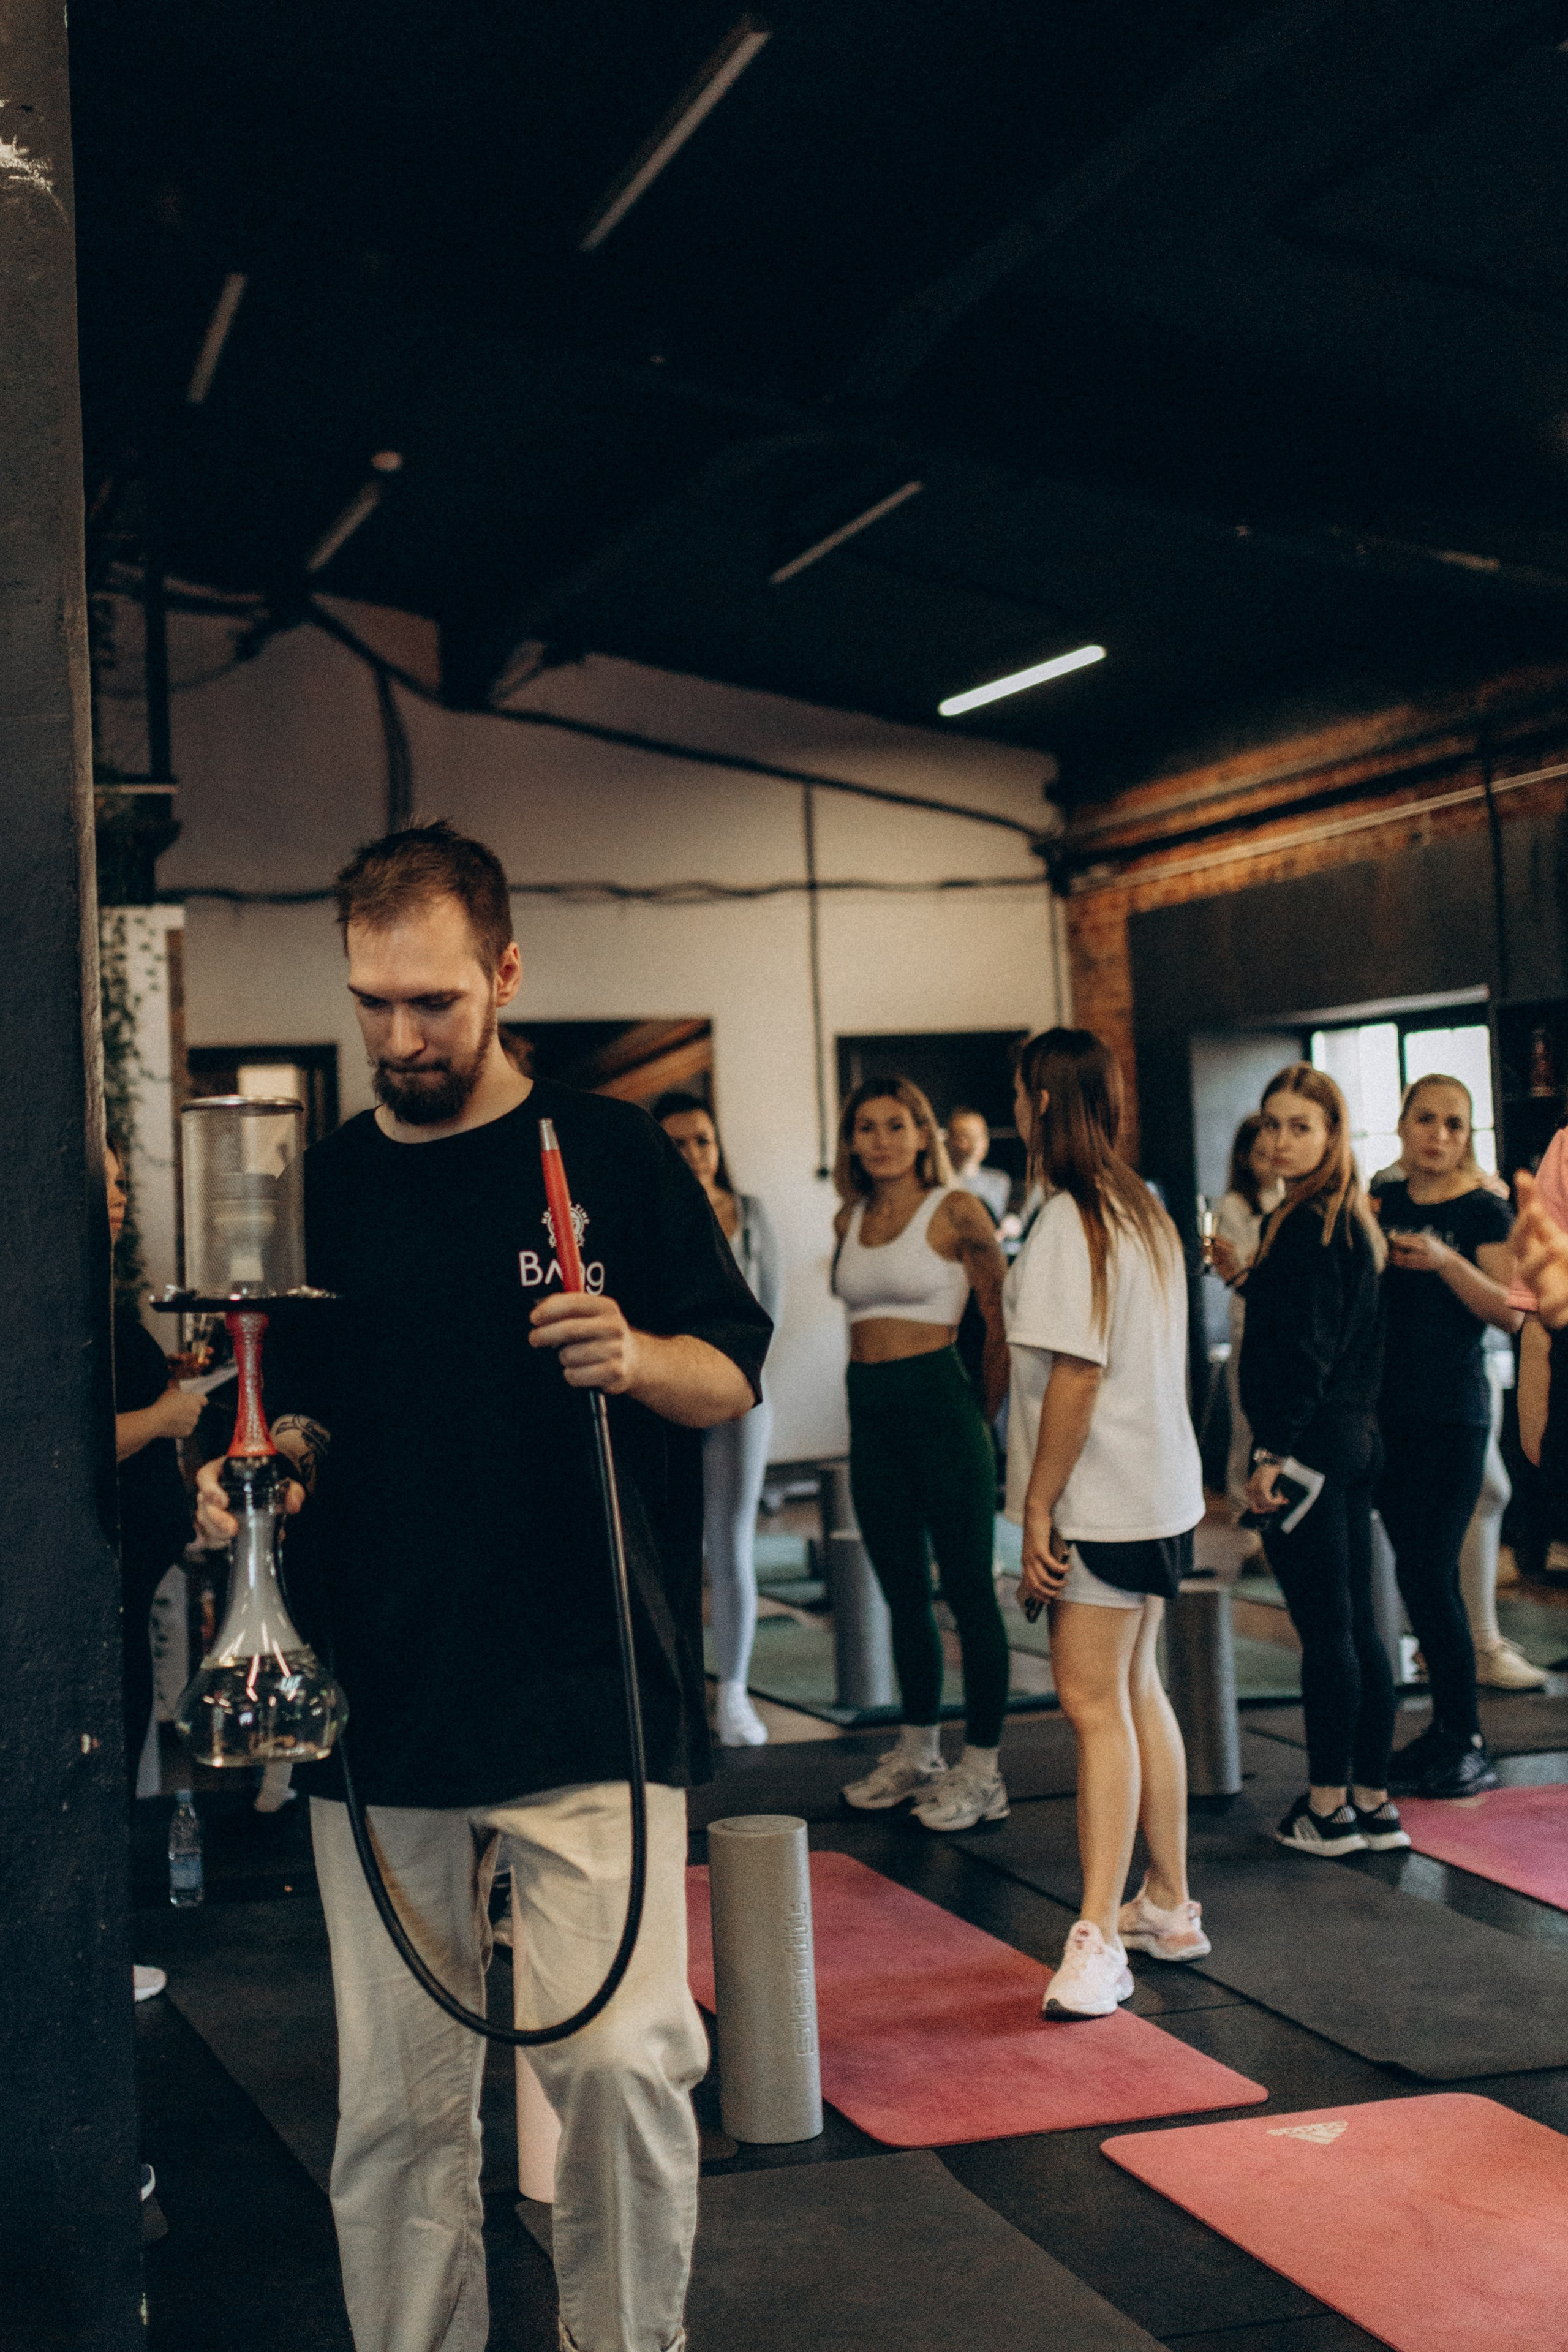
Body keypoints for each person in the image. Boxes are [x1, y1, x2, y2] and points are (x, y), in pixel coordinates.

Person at [194, 821, 769, 2352]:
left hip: (589, 1679)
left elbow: (729, 1369)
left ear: (505, 974)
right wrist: (262, 1466)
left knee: (627, 2063)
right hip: (381, 1696)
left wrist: (639, 1353)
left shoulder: (614, 1155)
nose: (400, 1038)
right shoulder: (323, 1184)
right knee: (394, 2107)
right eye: (372, 1003)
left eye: (433, 1002)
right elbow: (287, 1409)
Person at [1005, 1030, 1208, 2019]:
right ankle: (1166, 1904)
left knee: (1094, 1708)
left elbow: (1076, 1379)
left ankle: (1098, 1939)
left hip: (1104, 1499)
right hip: (1159, 1493)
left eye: (1019, 1096)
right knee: (1136, 1689)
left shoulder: (1069, 1218)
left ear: (1041, 1103)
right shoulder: (1143, 1206)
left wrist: (1039, 1506)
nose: (1015, 1110)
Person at [831, 1076, 1013, 1832]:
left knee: (968, 1590)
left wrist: (981, 1416)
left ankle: (984, 1770)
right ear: (850, 1141)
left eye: (895, 1126)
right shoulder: (848, 1216)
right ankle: (917, 1753)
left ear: (921, 1134)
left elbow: (1000, 1317)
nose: (880, 1141)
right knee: (901, 1591)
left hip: (941, 1404)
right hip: (869, 1411)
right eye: (866, 1127)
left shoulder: (957, 1209)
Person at [1238, 1065, 1406, 1858]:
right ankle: (1372, 1801)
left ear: (1332, 1135)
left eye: (1299, 1126)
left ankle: (1329, 1808)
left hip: (1311, 1446)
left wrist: (1272, 1451)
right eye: (1271, 1124)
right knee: (1357, 1626)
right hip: (1353, 1440)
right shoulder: (1344, 1219)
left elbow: (1303, 1355)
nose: (1280, 1140)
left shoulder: (1309, 1225)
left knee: (1328, 1630)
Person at [1373, 1076, 1521, 1796]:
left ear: (1468, 1136)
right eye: (1425, 1119)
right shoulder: (1384, 1198)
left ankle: (1465, 1735)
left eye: (1453, 1124)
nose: (1437, 1134)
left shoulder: (1484, 1209)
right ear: (1403, 1124)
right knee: (1413, 1576)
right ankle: (1442, 1730)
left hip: (1453, 1414)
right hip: (1388, 1412)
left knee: (1433, 1575)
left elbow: (1512, 1312)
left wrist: (1446, 1262)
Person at [654, 1091, 782, 1749]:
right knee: (669, 1546)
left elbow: (768, 1314)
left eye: (701, 1140)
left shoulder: (750, 1216)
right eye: (676, 1143)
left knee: (731, 1545)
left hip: (737, 1395)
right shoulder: (648, 1212)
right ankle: (675, 1691)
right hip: (665, 1391)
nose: (693, 1154)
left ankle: (733, 1692)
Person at [108, 1138, 202, 2003]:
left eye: (121, 1183)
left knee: (121, 1753)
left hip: (127, 1586)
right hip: (94, 1596)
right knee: (98, 1772)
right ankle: (89, 1961)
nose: (117, 1198)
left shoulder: (91, 1301)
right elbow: (68, 1439)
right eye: (100, 1183)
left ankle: (100, 1947)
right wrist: (165, 1417)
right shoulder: (52, 1308)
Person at [1210, 1114, 1283, 1527]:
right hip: (1248, 1323)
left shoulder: (1290, 1200)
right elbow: (1240, 1264)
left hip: (1285, 1325)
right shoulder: (1235, 1205)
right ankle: (1241, 1507)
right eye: (1261, 1154)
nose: (1272, 1161)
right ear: (1245, 1159)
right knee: (1246, 1418)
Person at [946, 1106, 1011, 1224]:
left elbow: (992, 1219)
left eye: (981, 1135)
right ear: (950, 1139)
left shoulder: (998, 1181)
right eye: (966, 1136)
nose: (976, 1143)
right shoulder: (939, 1180)